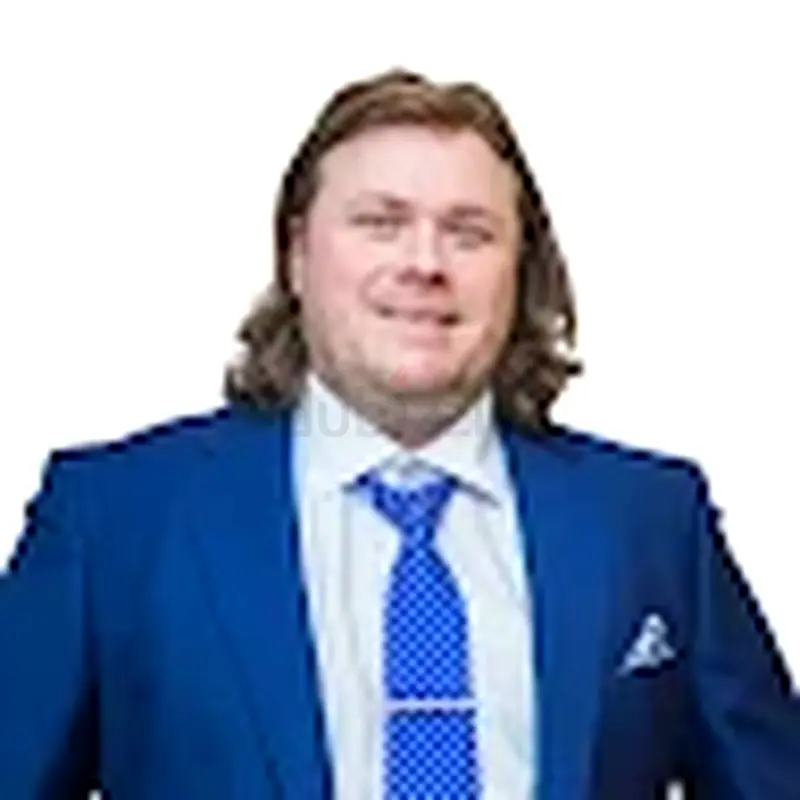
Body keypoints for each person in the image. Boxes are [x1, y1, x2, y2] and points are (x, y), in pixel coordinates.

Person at [1, 67, 798, 799]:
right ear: (297, 255)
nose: (425, 263)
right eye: (380, 223)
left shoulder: (652, 521)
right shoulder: (113, 520)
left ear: (520, 270)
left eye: (469, 232)